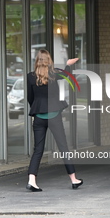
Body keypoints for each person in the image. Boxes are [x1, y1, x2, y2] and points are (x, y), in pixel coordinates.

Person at [26, 49, 83, 192]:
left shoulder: (30, 77)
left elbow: (30, 98)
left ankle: (32, 180)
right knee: (63, 147)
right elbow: (67, 76)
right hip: (54, 116)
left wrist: (37, 109)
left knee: (38, 150)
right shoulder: (54, 74)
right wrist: (68, 64)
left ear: (37, 61)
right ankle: (73, 179)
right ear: (49, 61)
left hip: (39, 116)